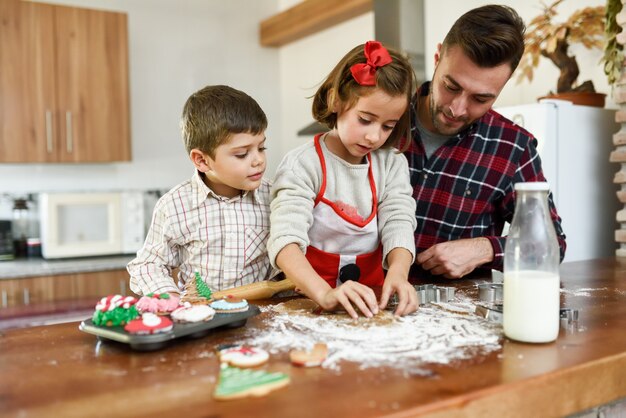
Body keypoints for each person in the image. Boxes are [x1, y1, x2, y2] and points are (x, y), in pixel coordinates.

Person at [404, 5, 567, 280]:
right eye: (450, 86)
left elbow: (551, 245)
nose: (457, 108)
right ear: (437, 58)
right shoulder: (382, 118)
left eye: (480, 99)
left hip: (456, 315)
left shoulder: (514, 148)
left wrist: (483, 249)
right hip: (359, 301)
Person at [268, 41, 418, 319]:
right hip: (306, 301)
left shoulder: (391, 163)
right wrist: (324, 294)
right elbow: (284, 240)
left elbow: (399, 219)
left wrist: (398, 273)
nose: (375, 137)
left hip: (371, 302)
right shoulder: (304, 164)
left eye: (388, 126)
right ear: (335, 100)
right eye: (365, 119)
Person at [128, 85, 276, 296]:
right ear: (202, 160)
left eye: (261, 148)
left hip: (261, 317)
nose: (259, 160)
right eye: (242, 154)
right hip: (203, 317)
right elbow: (148, 265)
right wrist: (170, 297)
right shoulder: (175, 205)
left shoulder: (274, 197)